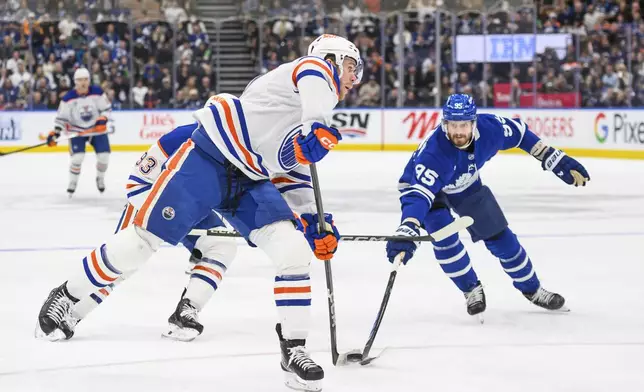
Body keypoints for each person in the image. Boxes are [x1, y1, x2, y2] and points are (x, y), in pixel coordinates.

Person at [36, 34, 362, 392]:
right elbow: (315, 72)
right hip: (211, 157)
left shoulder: (305, 116)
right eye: (351, 67)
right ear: (333, 58)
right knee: (142, 243)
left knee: (294, 251)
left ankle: (294, 350)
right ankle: (67, 295)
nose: (354, 79)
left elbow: (290, 174)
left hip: (250, 180)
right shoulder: (310, 73)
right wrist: (314, 123)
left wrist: (315, 221)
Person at [386, 94, 590, 321]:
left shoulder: (491, 129)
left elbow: (521, 134)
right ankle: (471, 289)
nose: (458, 131)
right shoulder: (435, 153)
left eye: (464, 125)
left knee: (503, 240)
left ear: (474, 123)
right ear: (445, 124)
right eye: (453, 125)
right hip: (429, 194)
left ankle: (532, 289)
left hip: (466, 185)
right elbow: (419, 195)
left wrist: (551, 156)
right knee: (445, 237)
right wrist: (409, 225)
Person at [71, 113, 236, 342]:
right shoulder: (180, 137)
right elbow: (136, 183)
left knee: (222, 243)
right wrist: (162, 216)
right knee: (126, 261)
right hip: (151, 200)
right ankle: (70, 312)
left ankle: (187, 311)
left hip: (191, 207)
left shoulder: (237, 147)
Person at [46, 68, 113, 196]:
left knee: (104, 157)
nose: (83, 83)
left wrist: (102, 119)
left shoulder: (97, 92)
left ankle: (100, 178)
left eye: (86, 79)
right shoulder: (68, 98)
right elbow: (61, 118)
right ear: (75, 82)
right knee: (77, 158)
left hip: (96, 130)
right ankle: (73, 182)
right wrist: (55, 133)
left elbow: (106, 109)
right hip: (76, 131)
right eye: (80, 80)